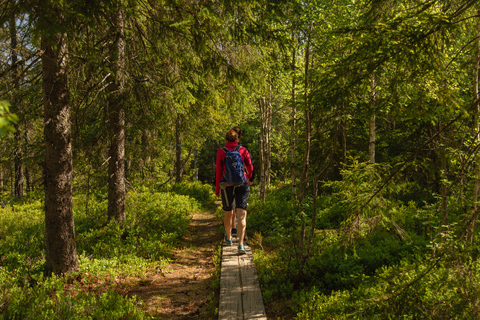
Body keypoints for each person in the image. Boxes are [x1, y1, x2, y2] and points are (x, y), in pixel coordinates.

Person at [215, 129, 253, 254]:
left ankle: (229, 238)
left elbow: (219, 172)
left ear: (226, 140)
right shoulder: (243, 150)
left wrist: (217, 189)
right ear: (237, 139)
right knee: (241, 215)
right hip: (242, 184)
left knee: (228, 213)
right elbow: (250, 167)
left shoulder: (221, 151)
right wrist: (248, 177)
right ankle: (241, 245)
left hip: (227, 185)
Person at [230, 126, 255, 237]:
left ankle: (232, 228)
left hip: (229, 181)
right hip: (242, 180)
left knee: (231, 206)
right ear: (240, 136)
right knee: (241, 207)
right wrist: (250, 178)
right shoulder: (244, 149)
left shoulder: (225, 149)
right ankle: (241, 237)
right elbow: (250, 165)